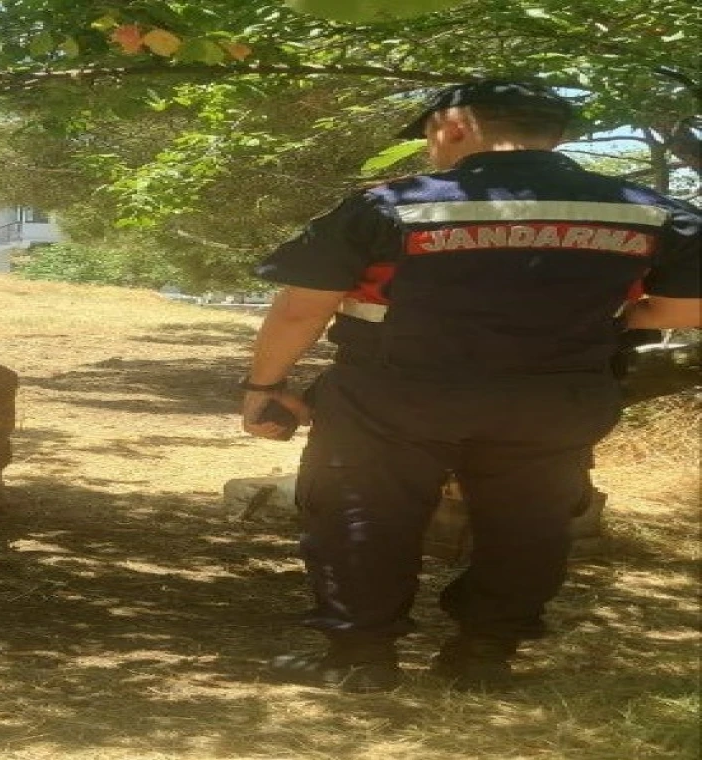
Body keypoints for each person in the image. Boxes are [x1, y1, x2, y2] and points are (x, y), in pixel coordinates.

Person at [241, 79, 702, 692]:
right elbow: (685, 309)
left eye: (429, 137)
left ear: (454, 126)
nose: (430, 152)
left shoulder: (392, 206)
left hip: (396, 396)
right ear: (556, 136)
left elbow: (303, 308)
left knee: (362, 511)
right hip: (555, 399)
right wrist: (617, 319)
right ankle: (484, 657)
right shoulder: (646, 209)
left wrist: (264, 386)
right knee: (529, 522)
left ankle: (359, 657)